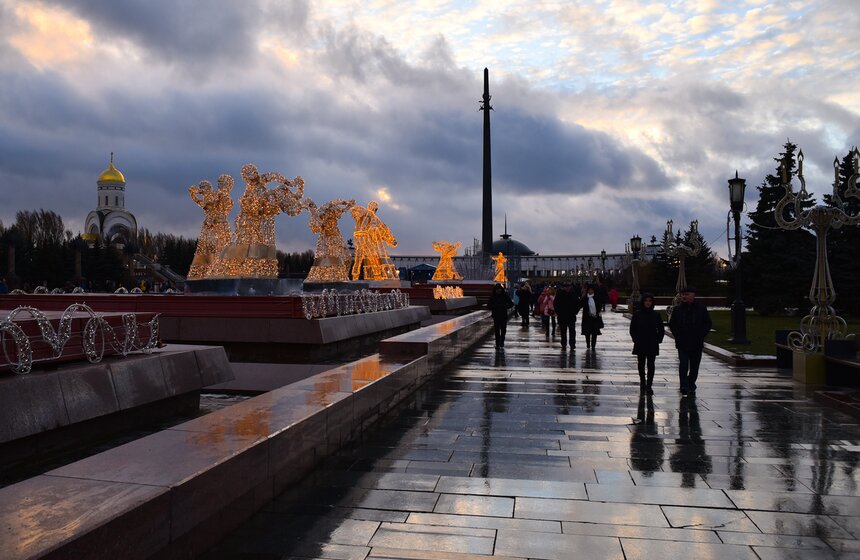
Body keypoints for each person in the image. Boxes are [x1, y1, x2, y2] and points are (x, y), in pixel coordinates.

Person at [668, 286, 712, 396]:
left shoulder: (701, 309)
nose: (684, 296)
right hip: (682, 342)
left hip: (696, 342)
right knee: (683, 364)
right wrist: (678, 336)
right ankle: (684, 386)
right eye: (683, 294)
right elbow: (673, 324)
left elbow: (707, 323)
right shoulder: (677, 309)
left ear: (693, 295)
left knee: (694, 366)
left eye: (687, 294)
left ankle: (691, 383)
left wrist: (701, 335)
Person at [629, 292, 665, 395]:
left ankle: (649, 385)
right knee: (641, 364)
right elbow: (632, 329)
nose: (648, 303)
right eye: (646, 301)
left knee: (651, 364)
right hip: (640, 342)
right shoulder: (637, 314)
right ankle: (642, 381)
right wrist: (635, 339)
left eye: (650, 301)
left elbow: (661, 329)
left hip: (652, 343)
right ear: (643, 302)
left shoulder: (656, 315)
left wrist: (658, 339)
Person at [554, 282, 580, 351]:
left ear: (570, 287)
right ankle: (563, 344)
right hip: (562, 316)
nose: (567, 288)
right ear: (564, 287)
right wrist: (558, 312)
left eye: (568, 287)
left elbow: (578, 304)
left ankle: (572, 344)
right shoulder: (560, 294)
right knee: (563, 331)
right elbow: (555, 304)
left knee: (572, 331)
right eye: (566, 287)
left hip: (571, 315)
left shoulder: (574, 294)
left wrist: (575, 312)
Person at [487, 283, 514, 348]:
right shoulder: (493, 296)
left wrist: (505, 307)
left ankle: (502, 341)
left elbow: (511, 304)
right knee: (497, 330)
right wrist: (493, 307)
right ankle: (497, 343)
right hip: (496, 315)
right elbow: (488, 306)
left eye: (499, 289)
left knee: (503, 329)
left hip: (503, 315)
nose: (498, 290)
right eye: (497, 289)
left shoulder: (505, 296)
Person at [579, 284, 603, 349]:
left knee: (594, 333)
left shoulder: (596, 297)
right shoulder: (585, 298)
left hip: (595, 318)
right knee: (587, 333)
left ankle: (593, 345)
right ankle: (588, 344)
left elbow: (599, 306)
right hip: (587, 318)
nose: (590, 291)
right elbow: (580, 304)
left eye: (591, 290)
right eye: (589, 290)